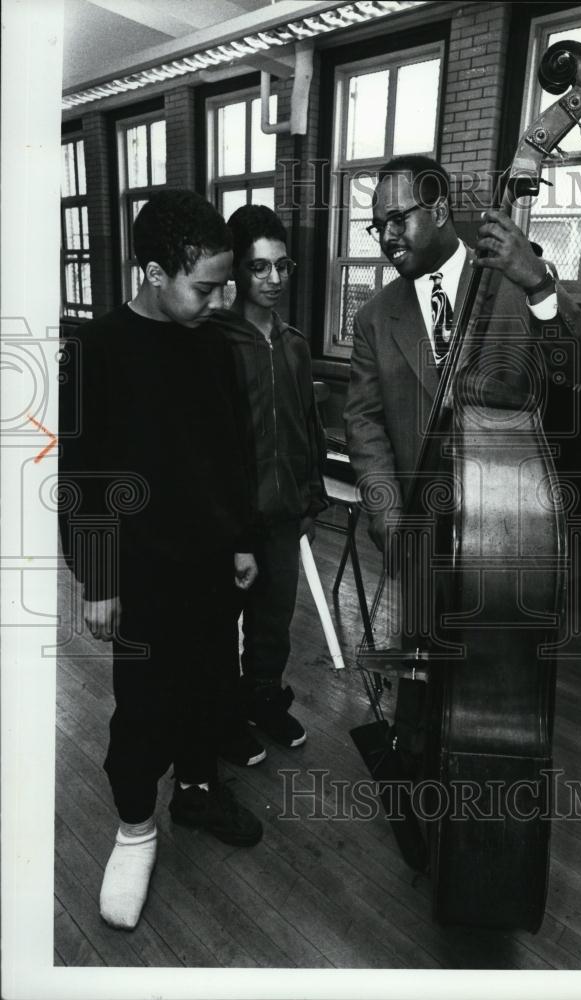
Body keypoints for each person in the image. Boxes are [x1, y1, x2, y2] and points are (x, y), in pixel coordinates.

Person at [58, 189, 264, 932]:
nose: (220, 300)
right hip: (139, 572)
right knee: (145, 706)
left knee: (211, 686)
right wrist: (98, 578)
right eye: (205, 287)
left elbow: (233, 451)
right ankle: (135, 831)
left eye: (225, 285)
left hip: (210, 562)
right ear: (153, 273)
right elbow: (80, 476)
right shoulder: (97, 349)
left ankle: (199, 793)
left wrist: (242, 537)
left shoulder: (213, 341)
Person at [344, 154, 581, 557]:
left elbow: (578, 367)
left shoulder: (520, 280)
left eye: (397, 219)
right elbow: (364, 422)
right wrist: (385, 510)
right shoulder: (372, 318)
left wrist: (538, 283)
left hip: (511, 529)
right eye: (379, 226)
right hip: (417, 533)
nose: (387, 237)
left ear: (439, 211)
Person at [213, 204, 327, 760]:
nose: (274, 279)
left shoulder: (295, 344)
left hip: (283, 515)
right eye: (260, 267)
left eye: (283, 266)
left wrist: (310, 502)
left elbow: (308, 425)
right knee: (220, 625)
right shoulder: (214, 342)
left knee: (273, 624)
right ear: (236, 270)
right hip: (231, 519)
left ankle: (263, 701)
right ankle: (220, 718)